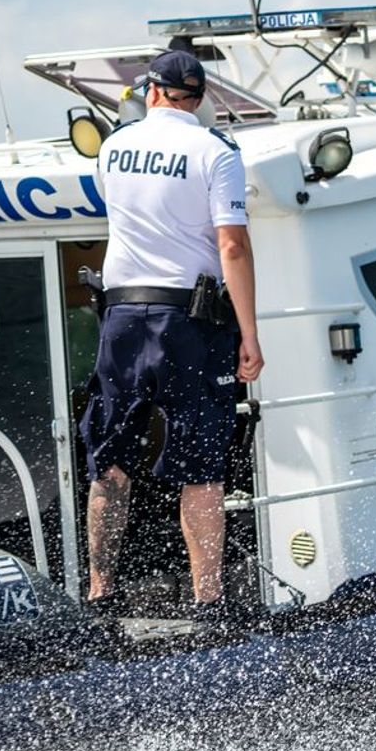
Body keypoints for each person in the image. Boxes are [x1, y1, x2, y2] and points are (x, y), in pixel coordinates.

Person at [80, 49, 264, 618]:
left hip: (121, 318)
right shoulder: (217, 152)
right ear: (200, 98)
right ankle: (209, 601)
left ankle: (99, 594)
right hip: (189, 321)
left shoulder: (113, 147)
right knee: (201, 466)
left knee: (110, 461)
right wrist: (249, 335)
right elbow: (231, 245)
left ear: (151, 92)